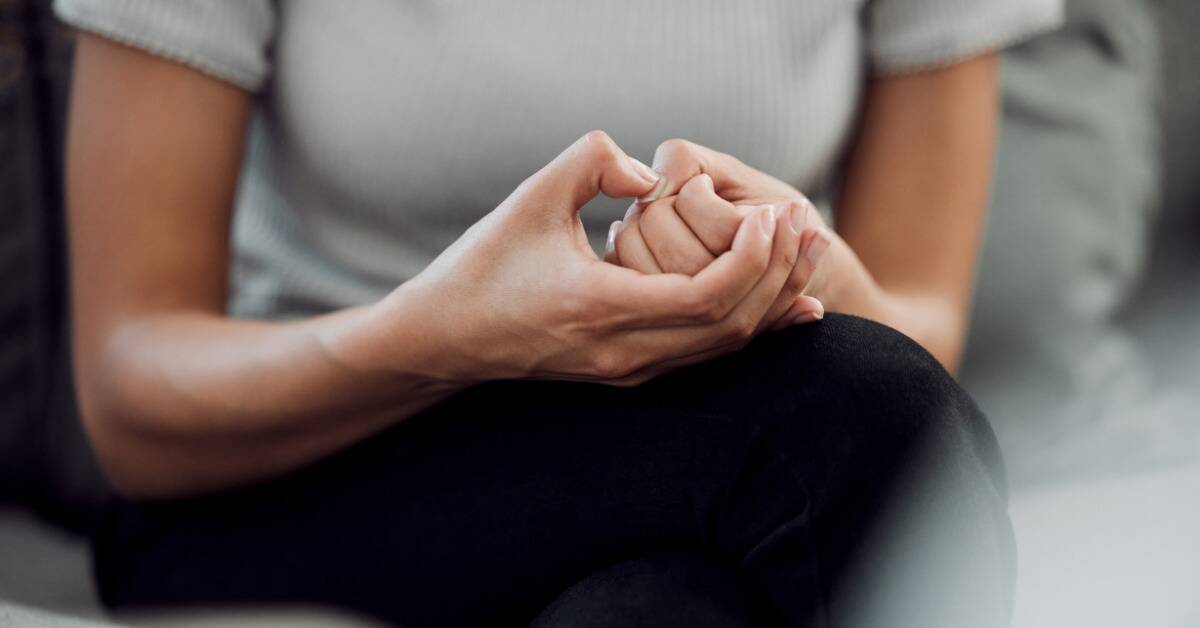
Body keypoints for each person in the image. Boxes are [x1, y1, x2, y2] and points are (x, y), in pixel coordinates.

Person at [55, 0, 1060, 626]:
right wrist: (438, 336)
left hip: (705, 458)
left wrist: (802, 267)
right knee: (861, 408)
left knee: (659, 614)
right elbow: (129, 396)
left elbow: (922, 321)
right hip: (292, 477)